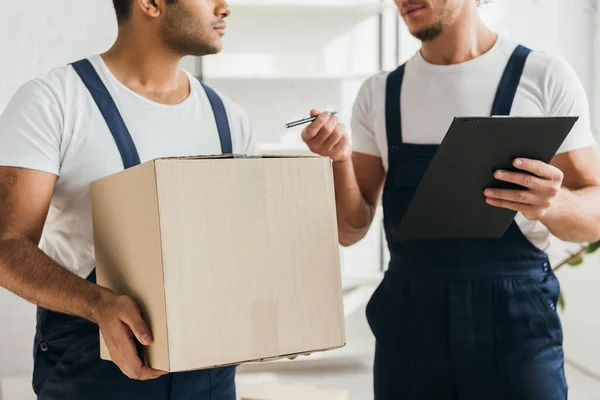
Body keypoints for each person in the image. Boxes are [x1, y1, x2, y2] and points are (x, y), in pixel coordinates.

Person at [301, 0, 600, 399]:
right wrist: (338, 161)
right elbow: (349, 230)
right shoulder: (380, 93)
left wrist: (553, 203)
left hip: (515, 327)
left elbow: (596, 212)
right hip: (411, 325)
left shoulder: (543, 76)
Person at [0, 1, 257, 399]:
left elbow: (243, 246)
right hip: (91, 368)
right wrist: (98, 304)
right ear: (150, 4)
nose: (225, 8)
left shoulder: (229, 117)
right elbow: (6, 244)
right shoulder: (55, 102)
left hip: (209, 373)